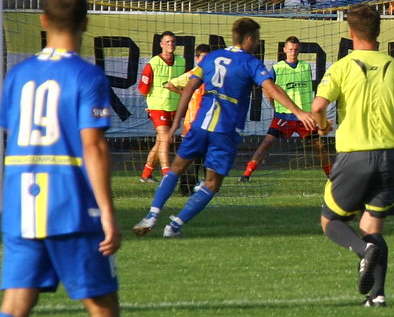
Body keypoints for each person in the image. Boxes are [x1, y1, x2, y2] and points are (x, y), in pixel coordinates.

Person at [0, 0, 168, 317]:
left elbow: (10, 134)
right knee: (102, 305)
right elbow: (94, 148)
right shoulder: (87, 77)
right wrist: (108, 212)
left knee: (14, 305)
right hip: (69, 205)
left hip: (21, 206)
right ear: (85, 24)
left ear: (44, 22)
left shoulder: (18, 76)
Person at [133, 19, 316, 238]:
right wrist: (299, 112)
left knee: (176, 168)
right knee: (211, 183)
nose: (257, 43)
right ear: (249, 39)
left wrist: (176, 124)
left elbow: (190, 88)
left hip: (200, 125)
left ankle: (152, 214)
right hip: (225, 131)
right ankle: (174, 225)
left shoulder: (210, 57)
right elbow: (272, 88)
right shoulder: (250, 63)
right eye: (256, 39)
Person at [310, 4, 394, 307]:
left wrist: (322, 127)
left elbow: (318, 108)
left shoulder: (343, 67)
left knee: (329, 220)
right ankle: (378, 296)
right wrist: (389, 119)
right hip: (389, 156)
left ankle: (362, 252)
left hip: (355, 154)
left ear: (350, 33)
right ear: (379, 31)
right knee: (373, 227)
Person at [239, 36, 332, 179]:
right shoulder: (277, 68)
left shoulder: (306, 67)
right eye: (290, 49)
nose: (293, 52)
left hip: (304, 117)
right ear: (284, 50)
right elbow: (267, 89)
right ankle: (247, 174)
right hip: (284, 116)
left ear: (299, 50)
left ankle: (330, 175)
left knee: (319, 146)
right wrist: (274, 105)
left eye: (295, 50)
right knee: (266, 143)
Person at [137, 31, 185, 182]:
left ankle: (146, 174)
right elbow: (143, 89)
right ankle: (167, 176)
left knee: (160, 142)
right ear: (161, 44)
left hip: (174, 107)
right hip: (158, 107)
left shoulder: (181, 61)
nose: (171, 44)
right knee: (165, 139)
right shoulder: (153, 63)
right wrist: (151, 105)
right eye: (168, 42)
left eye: (173, 42)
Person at [164, 43, 211, 195]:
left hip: (208, 124)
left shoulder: (213, 76)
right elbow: (169, 84)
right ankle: (186, 188)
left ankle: (207, 187)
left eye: (207, 58)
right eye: (202, 58)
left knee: (208, 158)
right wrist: (185, 94)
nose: (205, 61)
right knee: (190, 159)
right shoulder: (191, 75)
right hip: (191, 125)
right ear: (197, 59)